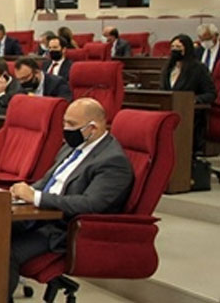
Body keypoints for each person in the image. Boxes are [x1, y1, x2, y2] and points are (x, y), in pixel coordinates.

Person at [8, 98, 133, 301]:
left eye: (72, 124)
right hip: (38, 216)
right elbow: (48, 181)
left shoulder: (113, 161)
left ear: (93, 128)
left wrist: (37, 197)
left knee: (5, 251)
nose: (66, 129)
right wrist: (23, 192)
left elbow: (90, 204)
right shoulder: (72, 147)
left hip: (61, 229)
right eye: (64, 123)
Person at [162, 34, 216, 154]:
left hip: (190, 117)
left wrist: (193, 99)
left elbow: (211, 93)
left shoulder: (198, 68)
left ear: (187, 49)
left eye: (178, 47)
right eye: (173, 47)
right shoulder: (167, 68)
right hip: (169, 114)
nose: (175, 50)